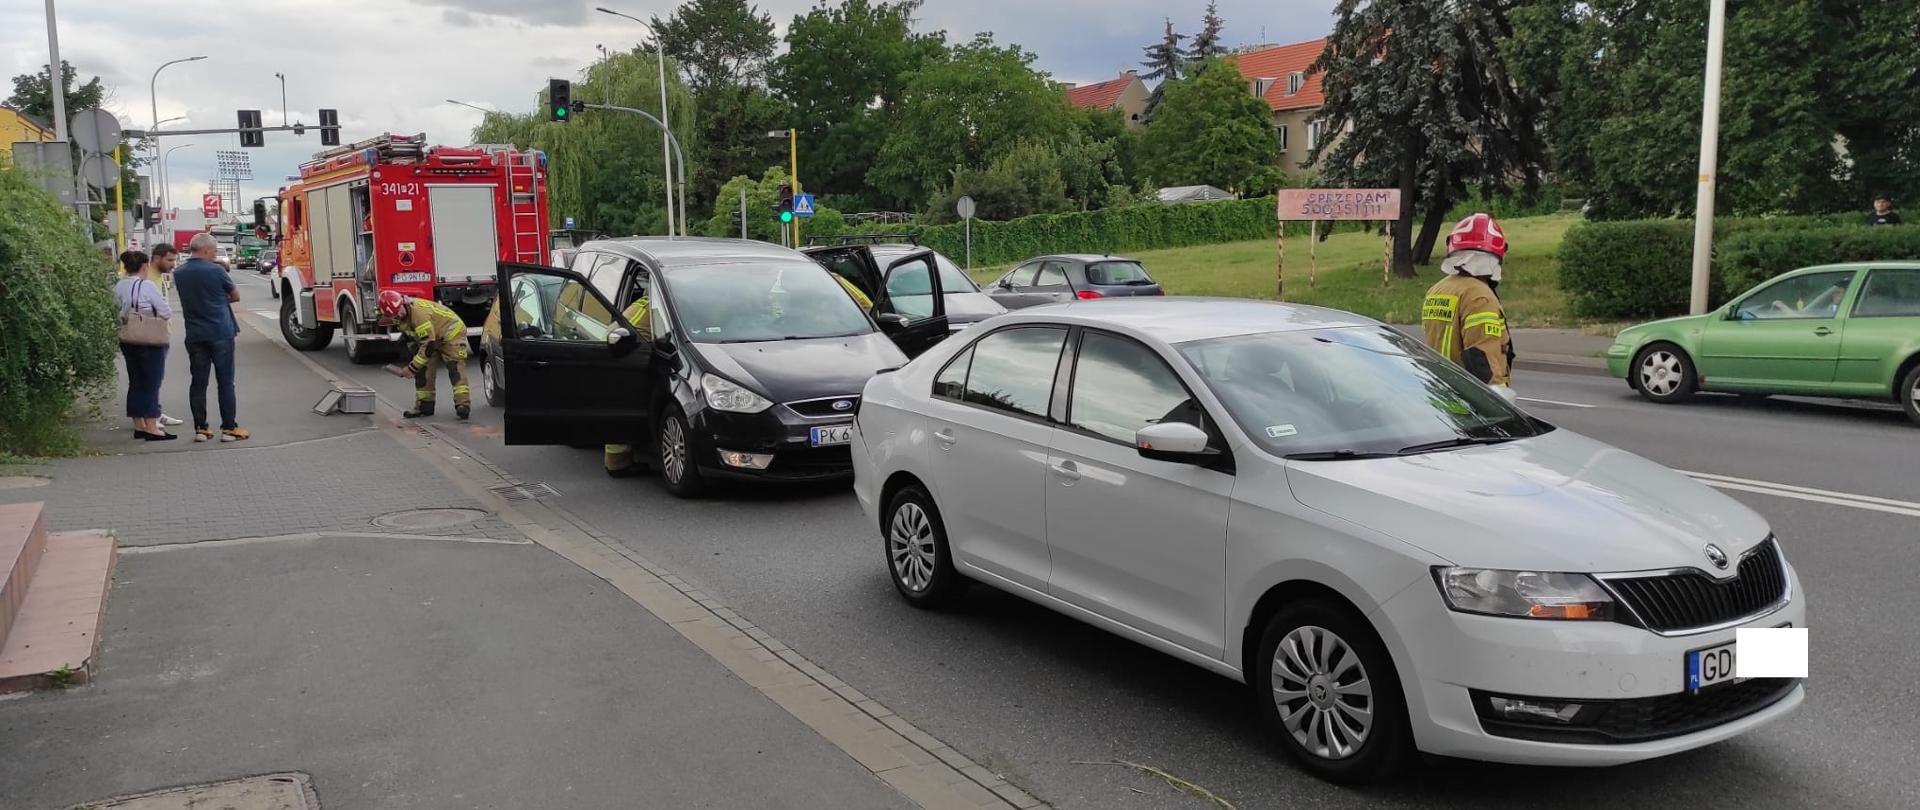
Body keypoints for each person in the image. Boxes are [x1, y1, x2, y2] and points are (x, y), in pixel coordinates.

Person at [1421, 213, 1516, 400]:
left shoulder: (1437, 289)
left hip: (1439, 396)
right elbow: (1482, 359)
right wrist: (1498, 404)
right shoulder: (1479, 297)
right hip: (1468, 404)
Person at [174, 232, 249, 442]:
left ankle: (201, 428)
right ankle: (228, 428)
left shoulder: (179, 272)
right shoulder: (216, 270)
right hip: (220, 332)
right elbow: (235, 295)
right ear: (206, 249)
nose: (215, 254)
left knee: (198, 382)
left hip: (195, 334)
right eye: (214, 251)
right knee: (225, 382)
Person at [380, 290, 471, 420]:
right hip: (431, 338)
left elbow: (428, 345)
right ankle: (424, 406)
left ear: (403, 302)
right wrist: (414, 357)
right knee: (423, 369)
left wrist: (411, 368)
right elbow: (414, 338)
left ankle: (463, 405)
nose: (398, 315)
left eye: (399, 310)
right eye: (394, 314)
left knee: (454, 368)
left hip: (451, 333)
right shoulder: (397, 316)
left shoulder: (419, 313)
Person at [115, 250, 175, 441]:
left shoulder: (118, 285)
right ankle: (152, 426)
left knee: (136, 381)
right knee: (151, 382)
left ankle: (138, 424)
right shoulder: (146, 285)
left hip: (127, 338)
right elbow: (165, 312)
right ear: (145, 266)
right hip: (149, 340)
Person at [604, 294, 652, 477]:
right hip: (622, 356)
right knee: (621, 409)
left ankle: (617, 462)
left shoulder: (642, 302)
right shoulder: (652, 307)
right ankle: (618, 464)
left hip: (615, 352)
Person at [145, 243, 185, 427]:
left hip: (162, 332)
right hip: (150, 333)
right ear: (156, 258)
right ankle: (150, 416)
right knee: (149, 376)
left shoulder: (161, 277)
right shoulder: (146, 277)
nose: (172, 264)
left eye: (174, 260)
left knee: (157, 376)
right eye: (169, 260)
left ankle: (155, 412)